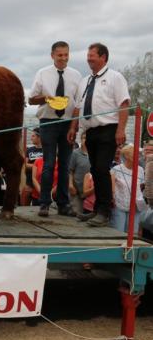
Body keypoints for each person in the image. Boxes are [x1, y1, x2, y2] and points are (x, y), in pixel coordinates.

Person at [67, 43, 131, 227]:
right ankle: (96, 210)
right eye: (88, 54)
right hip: (90, 130)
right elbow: (78, 107)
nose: (88, 58)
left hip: (108, 129)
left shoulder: (115, 77)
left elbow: (124, 104)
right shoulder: (85, 80)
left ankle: (104, 211)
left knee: (102, 168)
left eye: (92, 55)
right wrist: (74, 128)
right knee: (95, 169)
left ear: (103, 57)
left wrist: (120, 130)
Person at [29, 41, 82, 217]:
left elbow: (78, 104)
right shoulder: (42, 73)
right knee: (49, 163)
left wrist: (74, 126)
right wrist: (45, 98)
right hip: (48, 121)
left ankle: (63, 204)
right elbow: (31, 99)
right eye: (60, 55)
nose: (63, 58)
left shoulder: (76, 75)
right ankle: (44, 203)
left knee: (65, 165)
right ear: (52, 55)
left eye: (66, 54)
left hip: (67, 123)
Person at [110, 145, 146, 235]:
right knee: (118, 232)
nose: (138, 157)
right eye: (135, 155)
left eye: (139, 155)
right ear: (126, 156)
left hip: (135, 205)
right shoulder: (116, 169)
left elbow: (141, 186)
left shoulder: (140, 170)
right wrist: (113, 197)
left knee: (133, 233)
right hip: (120, 203)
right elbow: (112, 187)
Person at [68, 132, 91, 215]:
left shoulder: (95, 154)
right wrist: (70, 185)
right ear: (81, 140)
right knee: (76, 213)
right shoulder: (75, 153)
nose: (86, 140)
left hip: (90, 192)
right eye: (84, 138)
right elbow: (70, 170)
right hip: (77, 190)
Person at [21, 128, 43, 206]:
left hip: (41, 184)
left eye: (33, 136)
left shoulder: (46, 150)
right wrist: (37, 166)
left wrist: (33, 166)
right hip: (29, 183)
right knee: (24, 204)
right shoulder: (29, 150)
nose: (31, 138)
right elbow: (25, 165)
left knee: (37, 206)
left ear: (39, 137)